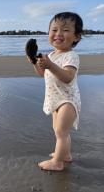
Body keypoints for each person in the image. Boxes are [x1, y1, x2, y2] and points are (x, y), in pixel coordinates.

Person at [27, 12, 83, 171]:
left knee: (61, 132)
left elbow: (68, 77)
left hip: (68, 100)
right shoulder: (51, 55)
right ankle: (65, 155)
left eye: (65, 30)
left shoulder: (71, 56)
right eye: (54, 29)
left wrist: (50, 65)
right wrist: (34, 61)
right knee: (59, 131)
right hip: (55, 99)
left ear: (76, 37)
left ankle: (57, 162)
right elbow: (42, 73)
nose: (58, 34)